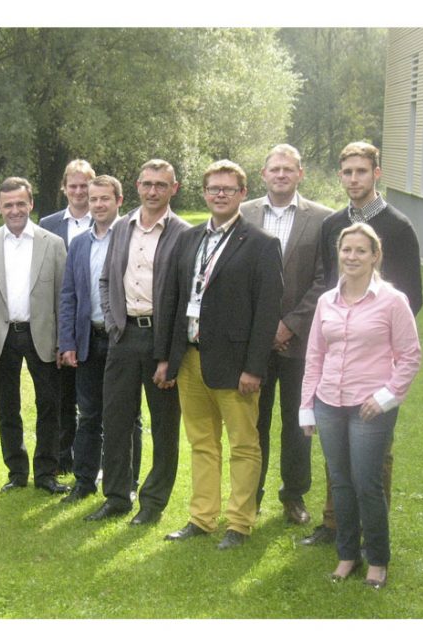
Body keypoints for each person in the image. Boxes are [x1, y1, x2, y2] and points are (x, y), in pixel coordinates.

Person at [301, 141, 423, 546]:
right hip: (337, 357)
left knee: (374, 457)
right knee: (336, 454)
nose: (354, 179)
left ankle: (374, 535)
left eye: (362, 171)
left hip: (376, 363)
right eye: (348, 172)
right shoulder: (333, 224)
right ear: (341, 175)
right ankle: (335, 525)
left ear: (377, 174)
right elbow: (328, 284)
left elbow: (411, 297)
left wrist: (384, 360)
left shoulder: (398, 227)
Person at [160, 160, 282, 549]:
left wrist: (254, 368)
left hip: (236, 365)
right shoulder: (188, 238)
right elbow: (174, 299)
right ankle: (202, 518)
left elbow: (267, 312)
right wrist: (167, 358)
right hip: (191, 358)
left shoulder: (262, 244)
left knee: (244, 445)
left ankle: (240, 523)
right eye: (213, 188)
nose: (220, 195)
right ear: (204, 193)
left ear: (243, 194)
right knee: (202, 443)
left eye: (228, 189)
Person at [300, 223, 421, 588]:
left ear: (375, 256)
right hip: (329, 403)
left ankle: (378, 560)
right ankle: (347, 555)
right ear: (338, 253)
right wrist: (307, 405)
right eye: (346, 249)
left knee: (367, 483)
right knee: (339, 483)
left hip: (370, 407)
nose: (351, 256)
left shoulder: (392, 301)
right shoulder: (326, 301)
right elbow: (315, 356)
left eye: (360, 250)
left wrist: (385, 397)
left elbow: (410, 356)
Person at [85, 159, 189, 526]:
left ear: (173, 188)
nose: (153, 191)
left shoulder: (183, 233)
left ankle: (153, 502)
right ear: (138, 186)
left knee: (164, 426)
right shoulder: (121, 227)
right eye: (147, 184)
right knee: (116, 421)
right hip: (124, 336)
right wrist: (114, 323)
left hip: (161, 338)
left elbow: (185, 298)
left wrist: (169, 356)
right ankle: (116, 497)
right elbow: (105, 280)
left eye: (161, 184)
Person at [240, 144, 333, 524]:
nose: (281, 175)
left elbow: (325, 279)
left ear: (300, 174)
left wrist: (289, 324)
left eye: (288, 169)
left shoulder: (323, 219)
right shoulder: (244, 214)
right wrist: (262, 328)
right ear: (263, 174)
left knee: (299, 422)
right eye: (274, 169)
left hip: (301, 341)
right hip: (252, 343)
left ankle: (293, 495)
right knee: (253, 423)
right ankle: (251, 495)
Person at [0, 177, 69, 495]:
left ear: (31, 204)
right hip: (1, 335)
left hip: (42, 335)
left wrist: (63, 341)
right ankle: (16, 472)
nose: (15, 210)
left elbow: (63, 297)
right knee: (7, 408)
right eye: (8, 205)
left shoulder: (52, 243)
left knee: (49, 406)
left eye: (20, 203)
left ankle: (46, 473)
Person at [58, 175, 123, 503]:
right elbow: (68, 294)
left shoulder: (129, 238)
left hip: (121, 340)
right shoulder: (80, 243)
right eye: (94, 199)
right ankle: (84, 481)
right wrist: (67, 342)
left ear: (118, 201)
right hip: (88, 340)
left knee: (124, 417)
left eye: (104, 198)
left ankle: (124, 482)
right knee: (89, 415)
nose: (98, 204)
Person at [40, 159, 95, 476]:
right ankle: (63, 459)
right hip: (61, 321)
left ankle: (93, 458)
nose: (78, 191)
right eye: (72, 185)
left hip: (95, 321)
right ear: (64, 188)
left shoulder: (106, 220)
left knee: (92, 399)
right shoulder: (48, 225)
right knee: (62, 398)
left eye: (84, 185)